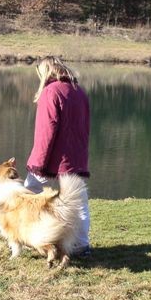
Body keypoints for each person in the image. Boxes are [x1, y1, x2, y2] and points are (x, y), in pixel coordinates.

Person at [24, 56, 91, 256]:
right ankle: (81, 245)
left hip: (55, 156)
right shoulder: (79, 91)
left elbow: (47, 130)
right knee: (79, 202)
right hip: (76, 156)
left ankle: (34, 238)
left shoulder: (50, 92)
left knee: (30, 192)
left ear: (46, 72)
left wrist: (38, 162)